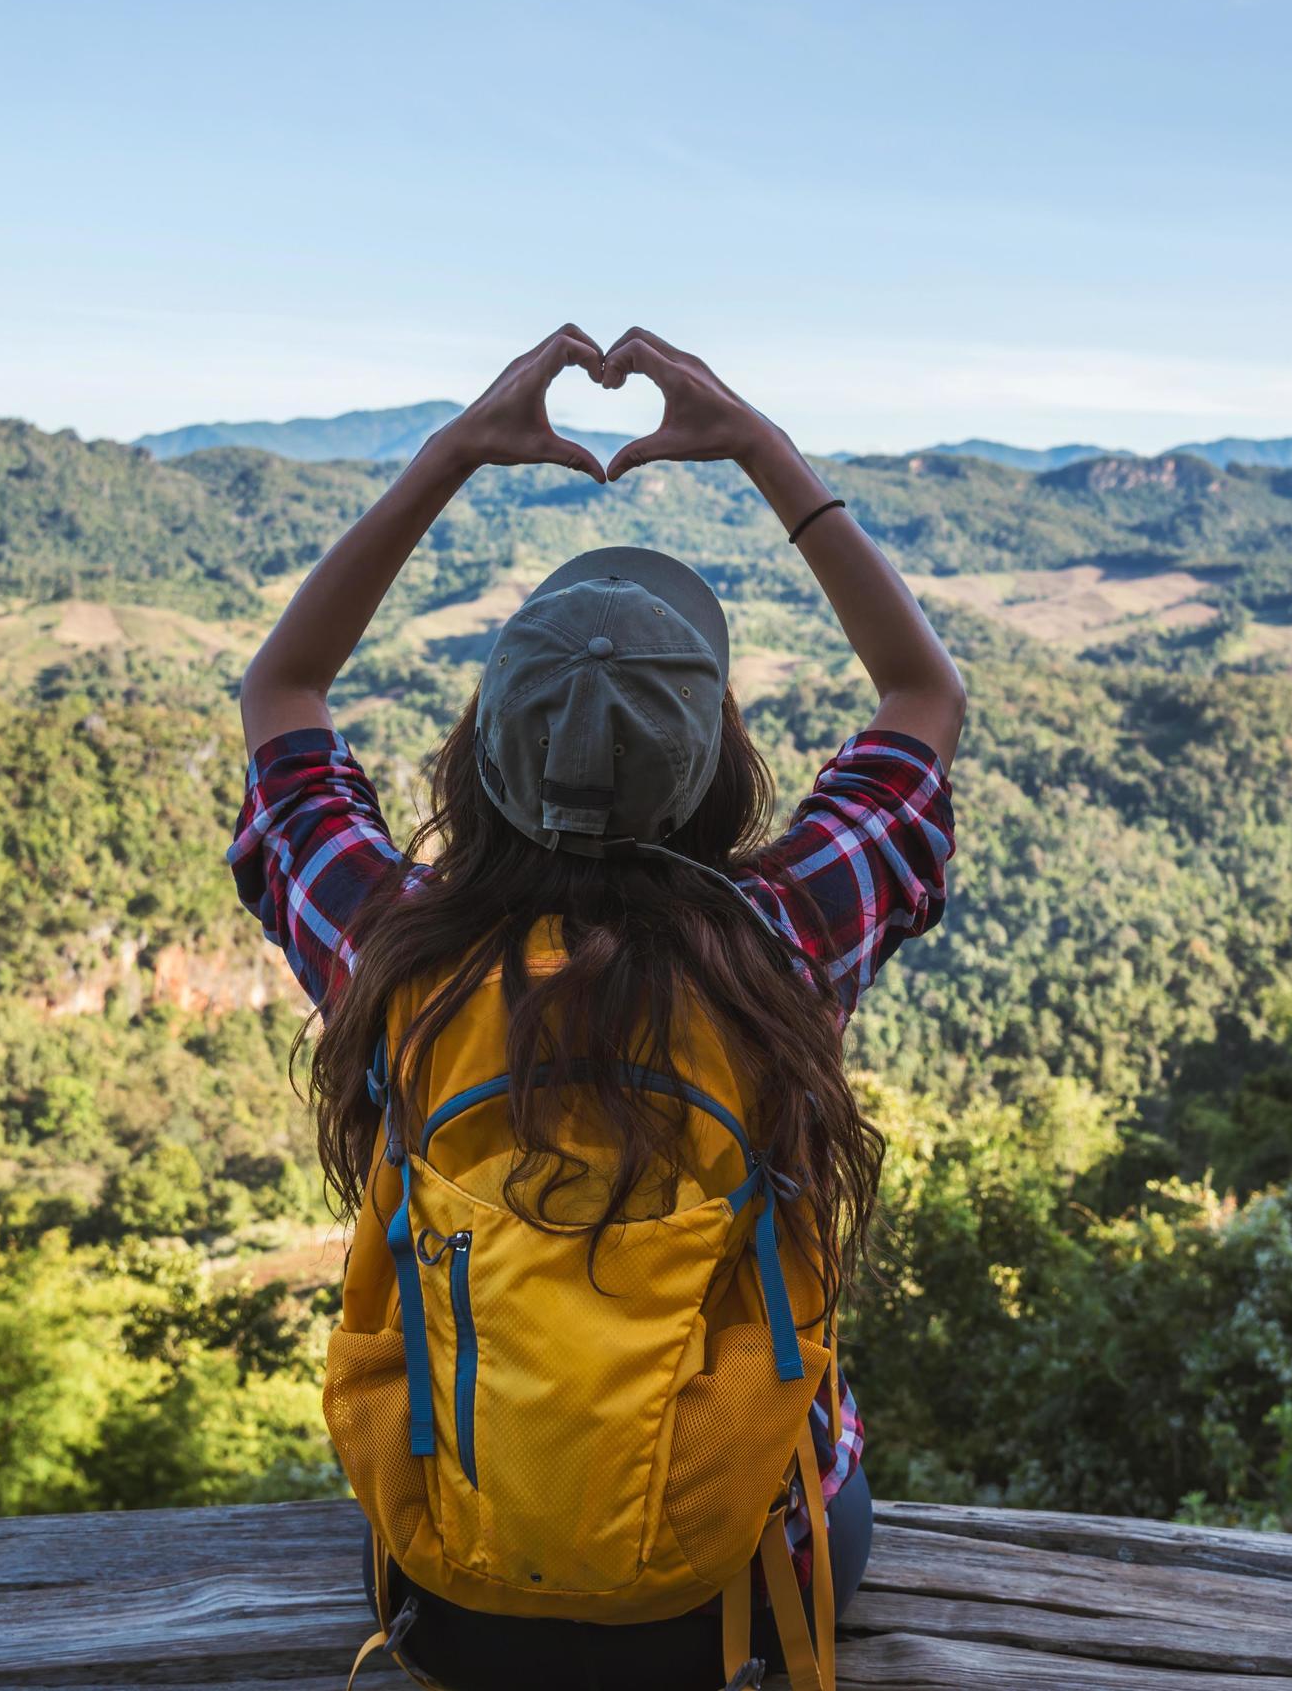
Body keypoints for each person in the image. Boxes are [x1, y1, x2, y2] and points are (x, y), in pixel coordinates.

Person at [229, 325, 964, 1690]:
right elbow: (924, 695)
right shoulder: (778, 944)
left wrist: (453, 454)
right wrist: (758, 448)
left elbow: (283, 692)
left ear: (484, 754)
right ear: (713, 767)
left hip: (455, 1578)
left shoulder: (401, 959)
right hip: (740, 1578)